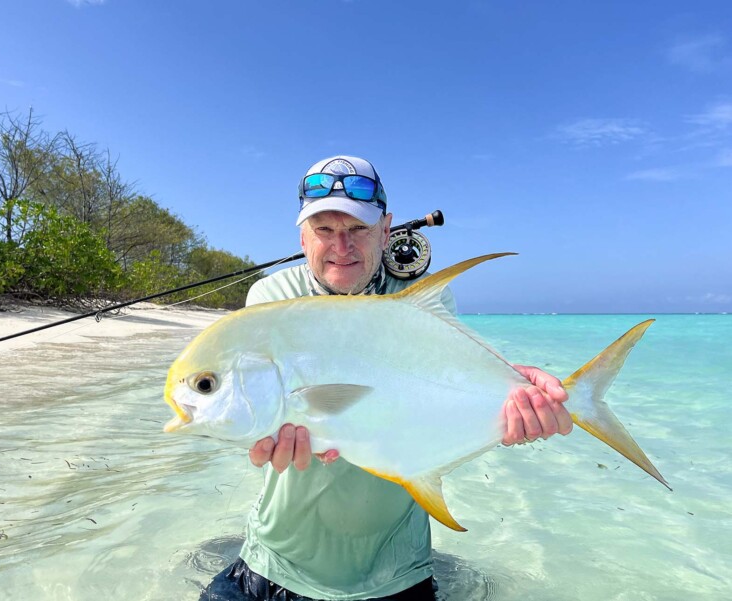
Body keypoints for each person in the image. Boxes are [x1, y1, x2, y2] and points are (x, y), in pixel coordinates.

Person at [205, 156, 573, 601]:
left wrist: (512, 401)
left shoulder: (419, 299)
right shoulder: (271, 300)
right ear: (302, 236)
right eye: (324, 230)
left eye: (358, 229)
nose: (341, 246)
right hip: (277, 562)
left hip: (398, 573)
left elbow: (439, 393)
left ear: (386, 229)